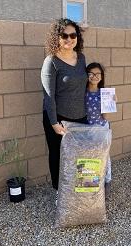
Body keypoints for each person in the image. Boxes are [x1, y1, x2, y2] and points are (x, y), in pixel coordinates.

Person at [41, 18, 88, 196]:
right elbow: (48, 96)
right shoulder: (51, 61)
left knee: (80, 156)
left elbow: (85, 85)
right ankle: (60, 194)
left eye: (73, 35)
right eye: (64, 35)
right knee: (59, 157)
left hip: (80, 118)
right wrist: (54, 123)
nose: (69, 39)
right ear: (57, 37)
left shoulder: (82, 58)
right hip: (58, 120)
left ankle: (78, 195)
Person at [85, 62, 113, 198]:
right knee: (89, 157)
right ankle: (90, 184)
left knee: (104, 157)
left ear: (101, 77)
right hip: (85, 130)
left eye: (98, 74)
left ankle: (106, 183)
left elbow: (105, 117)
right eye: (91, 73)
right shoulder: (82, 93)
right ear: (86, 75)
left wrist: (110, 103)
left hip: (102, 129)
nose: (94, 76)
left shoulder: (105, 93)